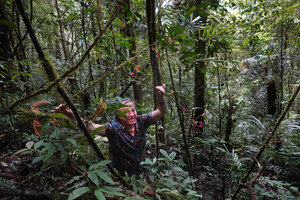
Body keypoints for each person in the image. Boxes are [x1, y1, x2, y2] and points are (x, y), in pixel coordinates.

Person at [53, 84, 167, 176]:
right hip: (120, 176)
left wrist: (160, 98)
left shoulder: (141, 122)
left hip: (141, 171)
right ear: (119, 116)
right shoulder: (113, 128)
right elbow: (91, 127)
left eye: (133, 110)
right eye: (127, 112)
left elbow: (161, 112)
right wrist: (72, 115)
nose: (132, 114)